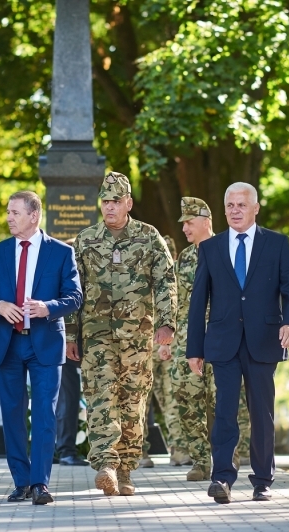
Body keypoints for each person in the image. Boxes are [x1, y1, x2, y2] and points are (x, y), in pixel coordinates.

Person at [186, 182, 289, 504]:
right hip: (222, 342)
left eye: (241, 205)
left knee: (261, 414)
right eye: (230, 205)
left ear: (255, 208)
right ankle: (222, 478)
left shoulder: (277, 244)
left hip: (264, 340)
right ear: (224, 210)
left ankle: (263, 481)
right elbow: (199, 301)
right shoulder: (210, 248)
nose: (235, 211)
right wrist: (194, 349)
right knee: (224, 411)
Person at [66, 172, 177, 496]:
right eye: (105, 201)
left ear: (128, 202)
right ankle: (106, 464)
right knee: (101, 400)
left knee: (132, 404)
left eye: (116, 201)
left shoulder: (149, 237)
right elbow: (74, 290)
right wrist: (71, 334)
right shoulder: (86, 240)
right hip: (97, 335)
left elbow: (166, 282)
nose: (110, 207)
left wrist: (166, 323)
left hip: (137, 337)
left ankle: (127, 467)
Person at [0, 191, 82, 505]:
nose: (9, 218)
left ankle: (40, 484)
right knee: (12, 415)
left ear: (34, 215)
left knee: (45, 414)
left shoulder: (61, 253)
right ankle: (21, 482)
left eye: (15, 213)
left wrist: (48, 307)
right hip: (7, 345)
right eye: (8, 212)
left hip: (45, 343)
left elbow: (74, 296)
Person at [162, 197, 251, 482]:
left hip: (224, 342)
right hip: (188, 343)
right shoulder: (185, 259)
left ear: (206, 222)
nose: (185, 228)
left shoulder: (231, 250)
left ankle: (228, 460)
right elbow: (175, 302)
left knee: (225, 403)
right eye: (184, 223)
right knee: (186, 400)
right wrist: (168, 340)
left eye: (189, 222)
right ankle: (201, 460)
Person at [140, 235, 191, 469]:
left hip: (171, 345)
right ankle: (139, 452)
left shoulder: (181, 276)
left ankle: (179, 450)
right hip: (146, 346)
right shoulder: (143, 274)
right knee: (141, 401)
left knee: (173, 398)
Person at [55, 239, 90, 467]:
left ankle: (73, 450)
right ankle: (66, 450)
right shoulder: (63, 272)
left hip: (92, 338)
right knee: (68, 397)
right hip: (67, 342)